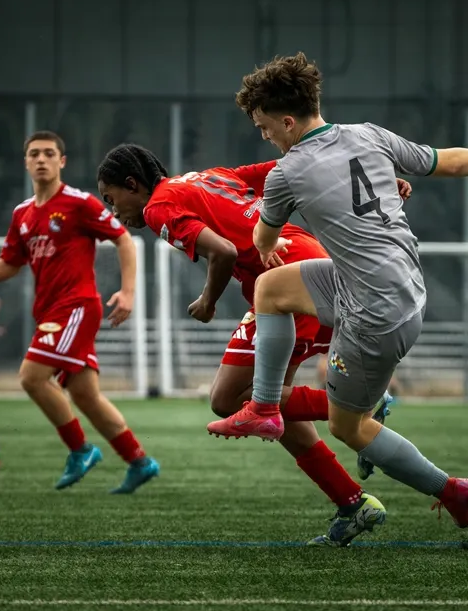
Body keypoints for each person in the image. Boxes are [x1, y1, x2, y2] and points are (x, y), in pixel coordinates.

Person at [207, 52, 468, 530]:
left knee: (348, 427)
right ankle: (265, 408)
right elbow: (445, 161)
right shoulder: (369, 135)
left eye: (265, 127)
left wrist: (268, 238)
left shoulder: (286, 173)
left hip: (376, 311)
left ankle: (453, 490)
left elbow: (262, 238)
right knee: (271, 289)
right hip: (395, 283)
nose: (263, 136)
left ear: (287, 121)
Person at [97, 144, 403, 545]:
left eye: (111, 199)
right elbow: (293, 167)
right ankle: (351, 503)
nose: (113, 211)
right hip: (314, 265)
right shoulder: (212, 175)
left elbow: (222, 252)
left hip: (284, 282)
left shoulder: (158, 207)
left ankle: (361, 404)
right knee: (276, 408)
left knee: (227, 398)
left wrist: (207, 302)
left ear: (132, 184)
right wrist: (374, 183)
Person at [0, 130, 160, 493]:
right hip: (49, 312)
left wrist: (127, 292)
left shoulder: (80, 203)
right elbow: (11, 263)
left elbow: (125, 239)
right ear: (25, 162)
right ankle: (139, 462)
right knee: (85, 396)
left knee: (31, 376)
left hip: (76, 307)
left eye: (49, 153)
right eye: (34, 154)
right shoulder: (22, 214)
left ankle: (81, 450)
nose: (41, 159)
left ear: (62, 161)